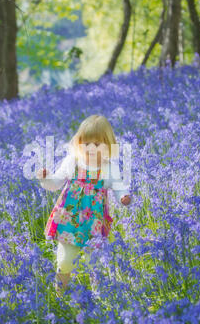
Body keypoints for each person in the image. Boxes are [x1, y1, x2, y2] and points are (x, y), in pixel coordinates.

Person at [36, 114, 132, 295]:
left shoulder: (109, 168)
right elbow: (55, 183)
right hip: (69, 221)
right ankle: (60, 297)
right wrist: (45, 178)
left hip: (93, 223)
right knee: (64, 261)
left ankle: (97, 300)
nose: (91, 149)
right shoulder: (72, 162)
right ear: (79, 143)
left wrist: (123, 197)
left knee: (93, 262)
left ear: (108, 146)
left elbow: (119, 186)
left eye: (97, 144)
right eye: (86, 143)